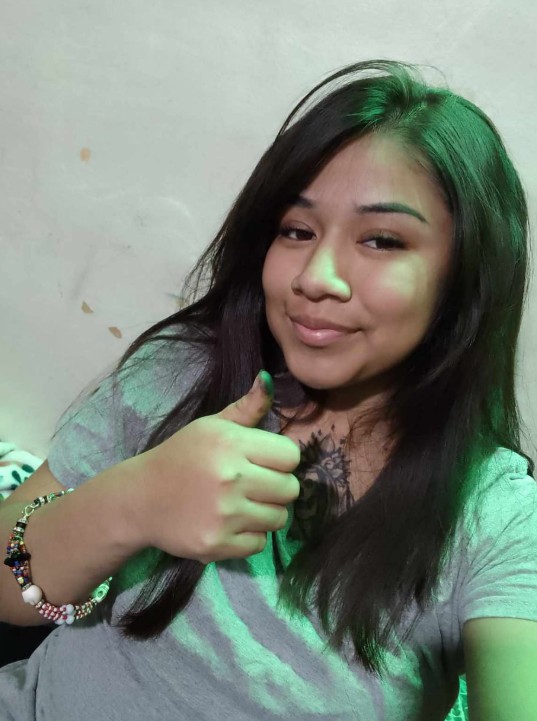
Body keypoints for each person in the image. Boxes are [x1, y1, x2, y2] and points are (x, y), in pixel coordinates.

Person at [0, 59, 535, 721]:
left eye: (381, 240)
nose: (315, 275)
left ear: (465, 279)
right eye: (296, 231)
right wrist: (132, 502)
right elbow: (7, 586)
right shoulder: (185, 374)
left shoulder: (495, 518)